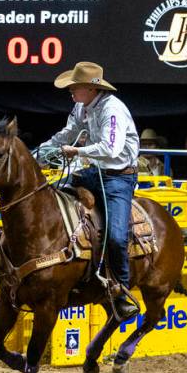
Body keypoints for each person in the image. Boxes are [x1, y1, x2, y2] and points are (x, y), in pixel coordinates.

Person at [39, 61, 140, 320]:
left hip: (119, 178)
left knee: (116, 235)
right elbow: (67, 133)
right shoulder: (81, 107)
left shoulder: (113, 109)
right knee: (48, 197)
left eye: (75, 87)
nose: (71, 91)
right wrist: (39, 153)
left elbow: (111, 149)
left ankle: (122, 292)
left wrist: (77, 151)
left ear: (91, 89)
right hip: (95, 172)